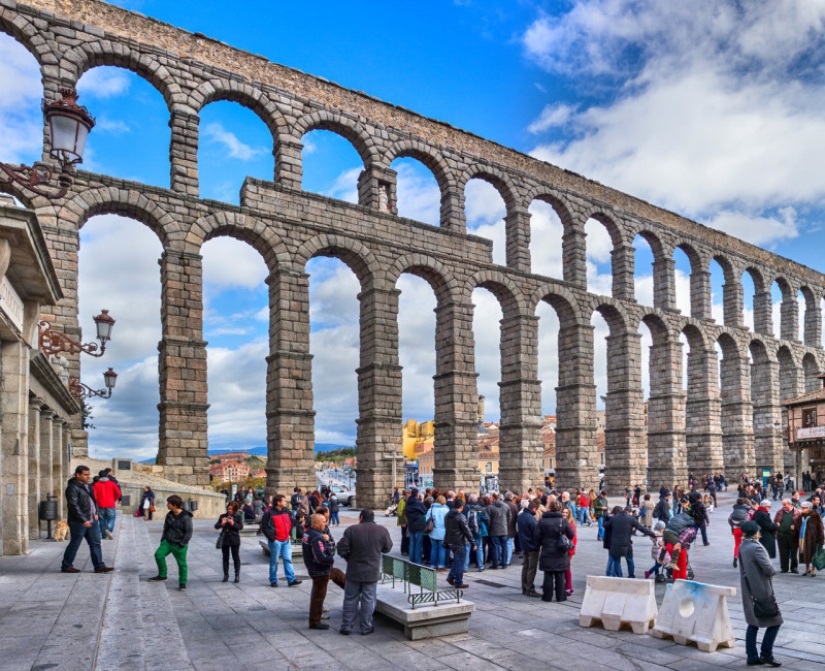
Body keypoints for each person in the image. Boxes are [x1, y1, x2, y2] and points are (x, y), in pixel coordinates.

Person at [337, 509, 392, 635]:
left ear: (361, 517)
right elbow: (387, 548)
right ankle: (366, 627)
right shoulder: (382, 530)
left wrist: (348, 558)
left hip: (353, 570)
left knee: (350, 598)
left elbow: (341, 548)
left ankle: (346, 626)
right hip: (371, 571)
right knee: (368, 599)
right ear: (373, 518)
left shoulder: (351, 530)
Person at [738, 520, 783, 667]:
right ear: (754, 532)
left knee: (753, 624)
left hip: (749, 589)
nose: (759, 532)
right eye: (758, 530)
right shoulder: (756, 548)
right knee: (776, 621)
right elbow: (768, 568)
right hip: (762, 591)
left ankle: (752, 657)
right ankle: (766, 654)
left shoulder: (743, 546)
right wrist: (774, 571)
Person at [60, 465, 113, 574]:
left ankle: (99, 566)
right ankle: (66, 566)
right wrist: (84, 519)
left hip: (92, 519)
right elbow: (74, 505)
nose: (88, 477)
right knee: (75, 543)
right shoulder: (72, 488)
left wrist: (96, 513)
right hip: (78, 522)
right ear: (77, 475)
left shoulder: (88, 486)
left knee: (96, 543)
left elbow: (94, 501)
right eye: (85, 475)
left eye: (89, 474)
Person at [148, 495, 193, 590]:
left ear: (174, 504)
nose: (167, 505)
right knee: (158, 555)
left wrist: (182, 543)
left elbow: (189, 532)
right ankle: (162, 575)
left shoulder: (185, 517)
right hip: (168, 542)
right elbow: (166, 528)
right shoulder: (169, 515)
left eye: (168, 503)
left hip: (179, 544)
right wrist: (163, 539)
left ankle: (182, 583)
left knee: (182, 564)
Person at [260, 494, 303, 588]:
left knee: (288, 559)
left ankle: (291, 579)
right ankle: (273, 580)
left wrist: (290, 534)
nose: (285, 502)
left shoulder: (287, 511)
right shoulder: (269, 514)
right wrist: (273, 539)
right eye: (283, 501)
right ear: (278, 502)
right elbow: (264, 527)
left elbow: (291, 523)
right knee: (274, 561)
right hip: (276, 541)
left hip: (286, 540)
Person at [302, 513, 336, 630]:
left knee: (338, 575)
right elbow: (319, 557)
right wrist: (330, 560)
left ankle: (353, 593)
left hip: (314, 568)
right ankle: (315, 622)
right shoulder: (316, 537)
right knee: (318, 596)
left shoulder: (308, 533)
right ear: (316, 523)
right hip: (320, 570)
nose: (325, 524)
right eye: (323, 522)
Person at [604, 504, 656, 578]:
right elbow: (641, 528)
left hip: (615, 543)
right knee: (629, 559)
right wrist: (653, 534)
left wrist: (606, 516)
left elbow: (605, 525)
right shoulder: (631, 519)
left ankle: (619, 576)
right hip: (626, 543)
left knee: (616, 561)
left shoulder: (614, 519)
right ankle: (631, 575)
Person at [537, 501, 574, 602]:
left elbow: (537, 536)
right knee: (560, 574)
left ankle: (547, 596)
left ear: (549, 508)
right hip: (560, 550)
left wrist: (543, 542)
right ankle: (560, 596)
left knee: (548, 574)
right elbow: (571, 534)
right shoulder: (563, 521)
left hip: (547, 549)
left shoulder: (542, 521)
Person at [444, 499, 474, 590]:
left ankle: (451, 576)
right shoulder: (461, 517)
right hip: (459, 542)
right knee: (460, 562)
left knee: (457, 560)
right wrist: (473, 542)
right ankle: (458, 582)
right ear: (461, 507)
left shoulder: (447, 515)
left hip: (450, 541)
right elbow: (467, 531)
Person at [215, 501, 243, 583]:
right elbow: (216, 526)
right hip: (225, 539)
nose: (229, 510)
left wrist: (232, 523)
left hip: (235, 539)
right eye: (228, 509)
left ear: (235, 509)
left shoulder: (238, 517)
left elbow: (240, 527)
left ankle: (237, 575)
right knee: (225, 558)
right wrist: (222, 523)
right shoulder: (223, 516)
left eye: (231, 509)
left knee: (236, 557)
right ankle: (226, 575)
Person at [517, 500, 540, 597]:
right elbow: (536, 533)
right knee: (531, 568)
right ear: (533, 509)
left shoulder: (521, 516)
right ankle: (530, 588)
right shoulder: (531, 518)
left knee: (525, 567)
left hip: (524, 545)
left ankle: (524, 587)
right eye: (536, 510)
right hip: (532, 546)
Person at [773, 498, 801, 574]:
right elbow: (775, 522)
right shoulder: (779, 512)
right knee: (783, 553)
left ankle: (794, 568)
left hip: (793, 536)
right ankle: (784, 568)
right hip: (782, 536)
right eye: (783, 504)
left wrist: (795, 526)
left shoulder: (798, 512)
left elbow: (801, 524)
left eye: (785, 504)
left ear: (790, 504)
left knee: (794, 553)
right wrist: (777, 530)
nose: (783, 506)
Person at [93, 470, 121, 540]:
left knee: (102, 520)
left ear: (99, 476)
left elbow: (94, 495)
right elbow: (118, 493)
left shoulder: (96, 485)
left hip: (100, 505)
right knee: (111, 518)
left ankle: (104, 535)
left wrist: (97, 501)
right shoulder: (112, 484)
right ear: (107, 476)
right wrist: (113, 499)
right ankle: (108, 529)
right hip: (110, 504)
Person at [799, 501, 824, 577]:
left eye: (804, 508)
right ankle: (807, 568)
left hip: (812, 538)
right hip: (802, 538)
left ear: (809, 508)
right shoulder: (801, 516)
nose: (802, 509)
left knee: (813, 554)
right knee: (804, 554)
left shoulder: (815, 516)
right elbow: (798, 526)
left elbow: (820, 528)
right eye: (802, 507)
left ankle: (813, 569)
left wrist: (821, 539)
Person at [487, 492, 511, 569]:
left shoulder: (490, 507)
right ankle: (504, 564)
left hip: (494, 530)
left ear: (493, 498)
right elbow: (509, 517)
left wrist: (489, 528)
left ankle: (495, 564)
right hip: (504, 529)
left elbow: (488, 520)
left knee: (495, 547)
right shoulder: (506, 506)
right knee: (504, 547)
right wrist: (506, 524)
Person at [426, 495, 449, 569]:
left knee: (433, 549)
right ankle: (441, 565)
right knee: (442, 549)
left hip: (433, 532)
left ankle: (433, 565)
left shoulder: (431, 509)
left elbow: (427, 520)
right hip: (443, 532)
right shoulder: (446, 510)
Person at [405, 489, 427, 564]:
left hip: (411, 524)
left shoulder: (408, 502)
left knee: (412, 543)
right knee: (418, 544)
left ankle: (411, 560)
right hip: (419, 524)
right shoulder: (418, 503)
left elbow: (406, 512)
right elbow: (425, 511)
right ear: (417, 495)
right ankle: (418, 561)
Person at [729, 498, 752, 568]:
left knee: (737, 544)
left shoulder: (734, 511)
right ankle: (745, 560)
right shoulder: (749, 511)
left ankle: (736, 556)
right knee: (747, 544)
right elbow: (752, 518)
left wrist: (733, 526)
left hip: (736, 529)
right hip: (745, 529)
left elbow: (729, 519)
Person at [561, 506, 577, 596]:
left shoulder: (570, 524)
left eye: (566, 513)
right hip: (561, 549)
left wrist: (571, 551)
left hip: (567, 550)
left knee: (567, 569)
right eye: (563, 512)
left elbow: (574, 539)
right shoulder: (561, 522)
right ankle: (567, 586)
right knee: (564, 569)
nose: (564, 514)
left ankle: (568, 587)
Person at [397, 490, 408, 555]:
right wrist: (402, 522)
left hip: (408, 521)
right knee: (404, 536)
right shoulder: (402, 501)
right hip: (404, 521)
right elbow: (400, 512)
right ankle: (404, 550)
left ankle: (407, 550)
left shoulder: (407, 501)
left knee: (407, 536)